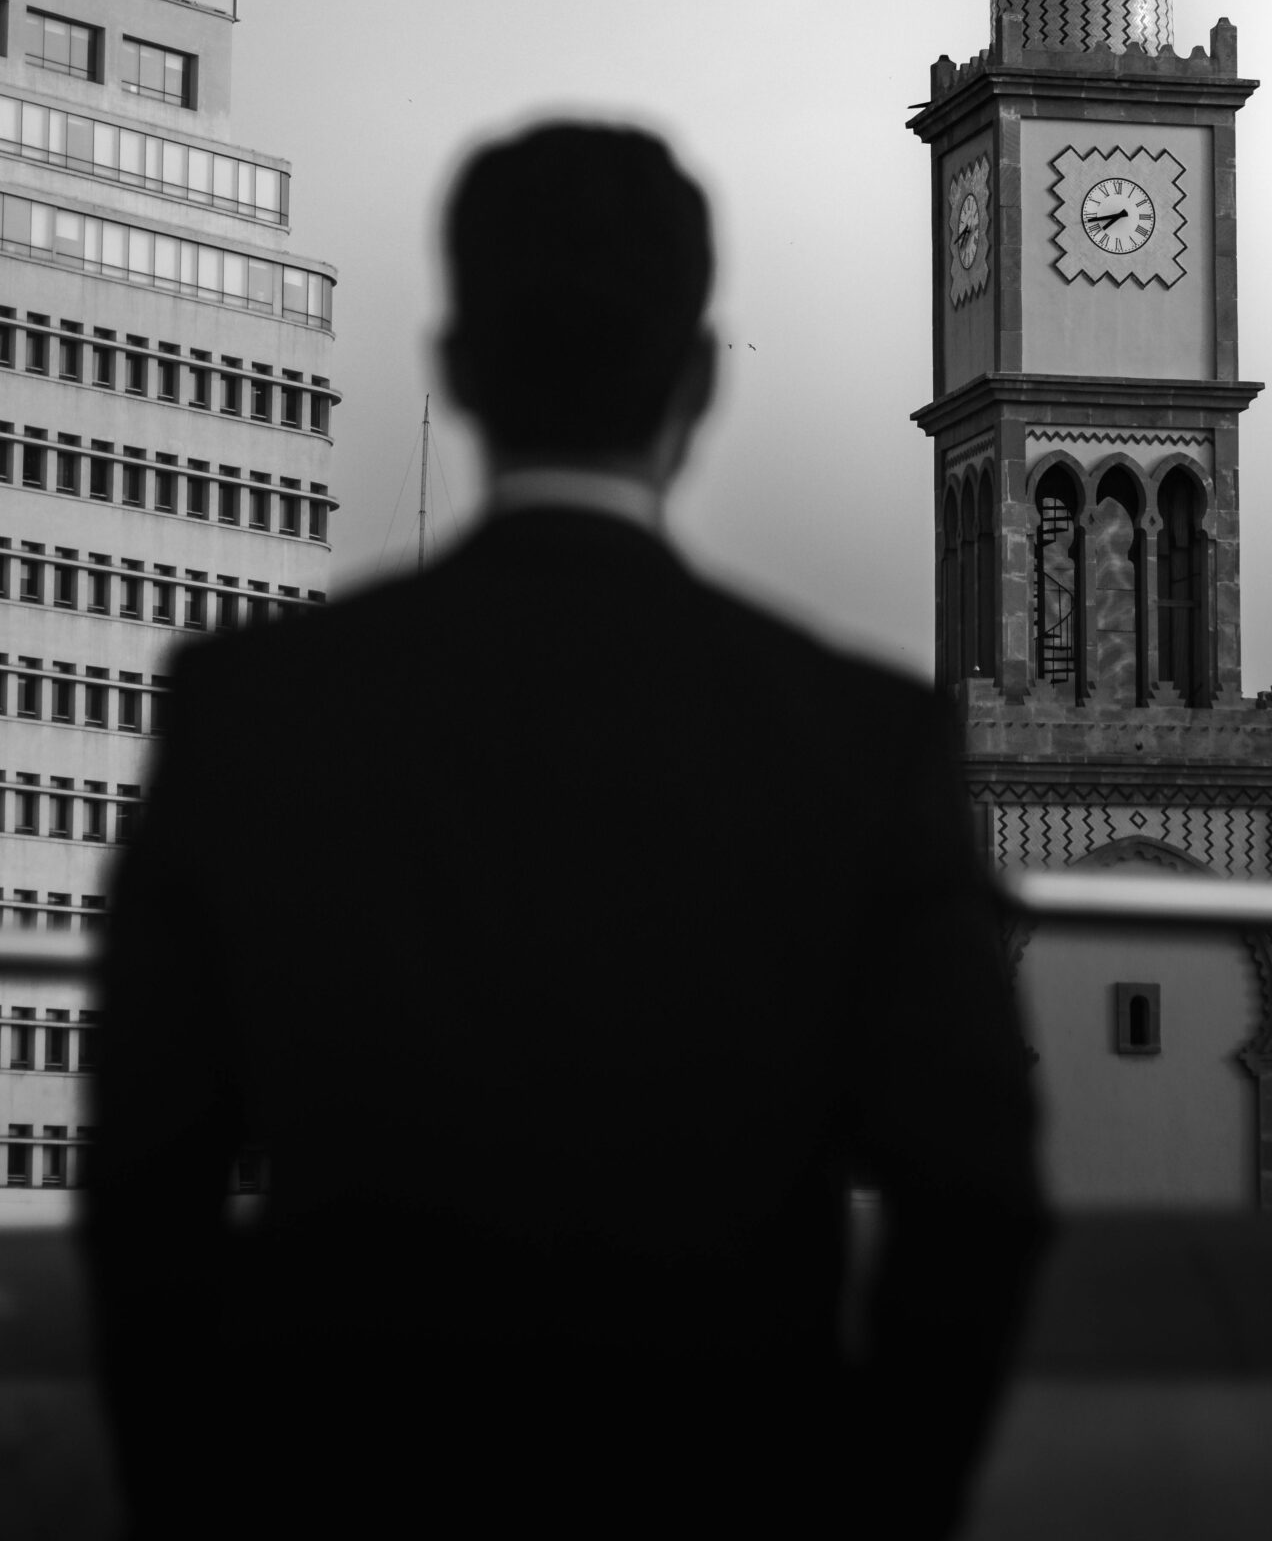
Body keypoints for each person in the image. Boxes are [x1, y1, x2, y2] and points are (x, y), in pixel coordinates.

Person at [83, 120, 1047, 1539]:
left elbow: (144, 1191)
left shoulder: (252, 713)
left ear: (458, 370)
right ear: (700, 384)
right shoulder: (860, 739)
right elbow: (973, 1208)